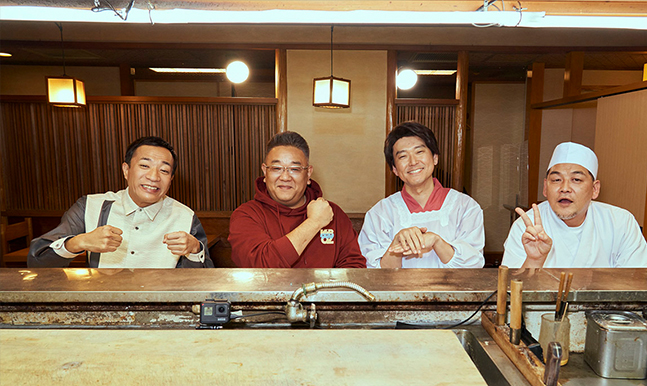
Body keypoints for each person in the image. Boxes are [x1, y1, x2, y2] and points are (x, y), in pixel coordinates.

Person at [28, 136, 214, 268]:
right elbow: (37, 261)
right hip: (102, 310)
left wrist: (195, 249)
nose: (153, 176)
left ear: (171, 179)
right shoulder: (90, 206)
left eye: (164, 171)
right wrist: (79, 242)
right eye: (144, 166)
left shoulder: (184, 216)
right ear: (126, 170)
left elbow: (205, 280)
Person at [502, 142, 647, 268]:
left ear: (595, 189)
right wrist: (534, 261)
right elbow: (511, 293)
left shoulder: (620, 222)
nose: (565, 188)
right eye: (556, 180)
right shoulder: (526, 228)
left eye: (576, 180)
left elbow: (638, 282)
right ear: (545, 187)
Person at [228, 131, 366, 268]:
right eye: (276, 168)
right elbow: (262, 265)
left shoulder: (331, 213)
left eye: (294, 169)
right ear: (265, 171)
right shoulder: (247, 215)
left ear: (308, 173)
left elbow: (354, 268)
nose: (285, 177)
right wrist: (314, 222)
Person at [358, 121, 485, 268]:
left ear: (435, 157)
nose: (413, 162)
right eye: (403, 156)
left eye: (419, 152)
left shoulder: (465, 207)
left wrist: (437, 242)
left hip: (451, 291)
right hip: (399, 291)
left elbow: (473, 266)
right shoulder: (380, 214)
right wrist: (396, 246)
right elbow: (372, 273)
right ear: (394, 169)